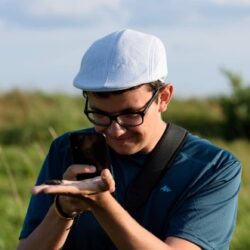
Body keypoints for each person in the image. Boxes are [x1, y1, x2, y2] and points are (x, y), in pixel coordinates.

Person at [17, 29, 241, 250]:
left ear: (164, 98)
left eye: (131, 114)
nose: (116, 131)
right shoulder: (66, 150)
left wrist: (102, 205)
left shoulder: (213, 167)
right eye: (100, 115)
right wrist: (62, 211)